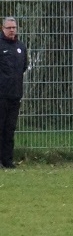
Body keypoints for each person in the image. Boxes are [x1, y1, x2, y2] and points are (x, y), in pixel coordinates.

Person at [0, 17, 28, 169]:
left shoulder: (20, 47)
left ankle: (7, 160)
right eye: (9, 27)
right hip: (1, 95)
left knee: (9, 129)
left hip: (15, 95)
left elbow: (24, 67)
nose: (12, 30)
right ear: (2, 28)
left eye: (14, 27)